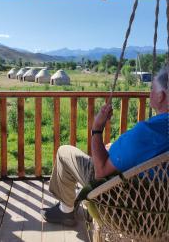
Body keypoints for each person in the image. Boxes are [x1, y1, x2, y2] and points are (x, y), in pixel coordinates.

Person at [41, 65, 169, 226]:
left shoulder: (147, 132)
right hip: (162, 214)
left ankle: (66, 211)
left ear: (160, 96)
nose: (149, 93)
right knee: (108, 148)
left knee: (64, 152)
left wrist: (97, 129)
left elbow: (101, 171)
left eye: (152, 89)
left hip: (126, 204)